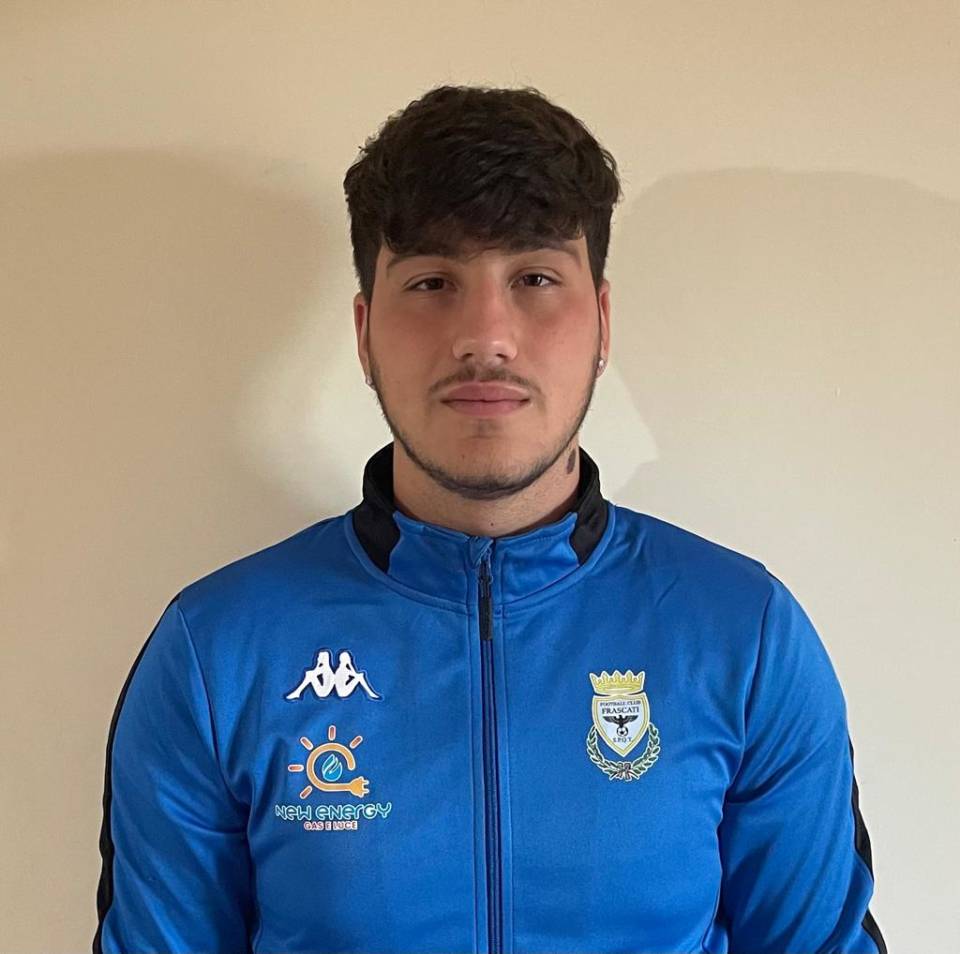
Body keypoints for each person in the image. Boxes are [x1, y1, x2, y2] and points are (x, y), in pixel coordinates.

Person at [93, 84, 886, 954]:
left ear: (602, 322)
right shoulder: (216, 653)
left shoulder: (744, 635)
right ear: (364, 332)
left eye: (535, 278)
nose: (486, 336)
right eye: (432, 282)